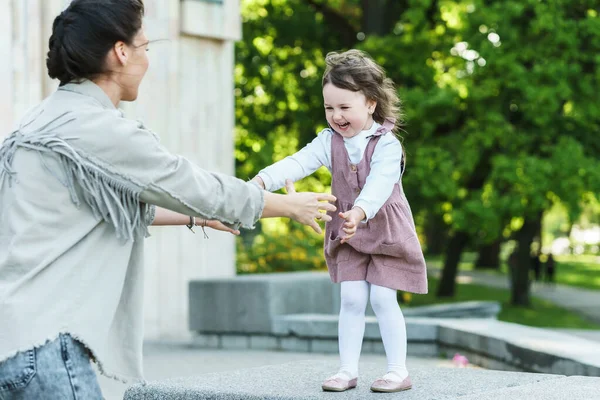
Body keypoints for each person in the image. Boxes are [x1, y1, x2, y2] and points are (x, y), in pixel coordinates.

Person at [0, 1, 336, 399]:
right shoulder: (97, 128)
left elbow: (104, 208)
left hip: (14, 341)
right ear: (121, 52)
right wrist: (287, 206)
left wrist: (197, 219)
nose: (147, 60)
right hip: (47, 347)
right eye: (145, 47)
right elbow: (191, 184)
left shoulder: (39, 121)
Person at [252, 49, 427, 393]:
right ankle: (347, 370)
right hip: (347, 231)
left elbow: (379, 186)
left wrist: (360, 211)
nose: (336, 116)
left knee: (381, 298)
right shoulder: (328, 141)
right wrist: (259, 182)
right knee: (350, 298)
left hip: (384, 230)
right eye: (329, 108)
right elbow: (296, 163)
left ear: (371, 104)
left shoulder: (386, 144)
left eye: (345, 107)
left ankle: (397, 370)